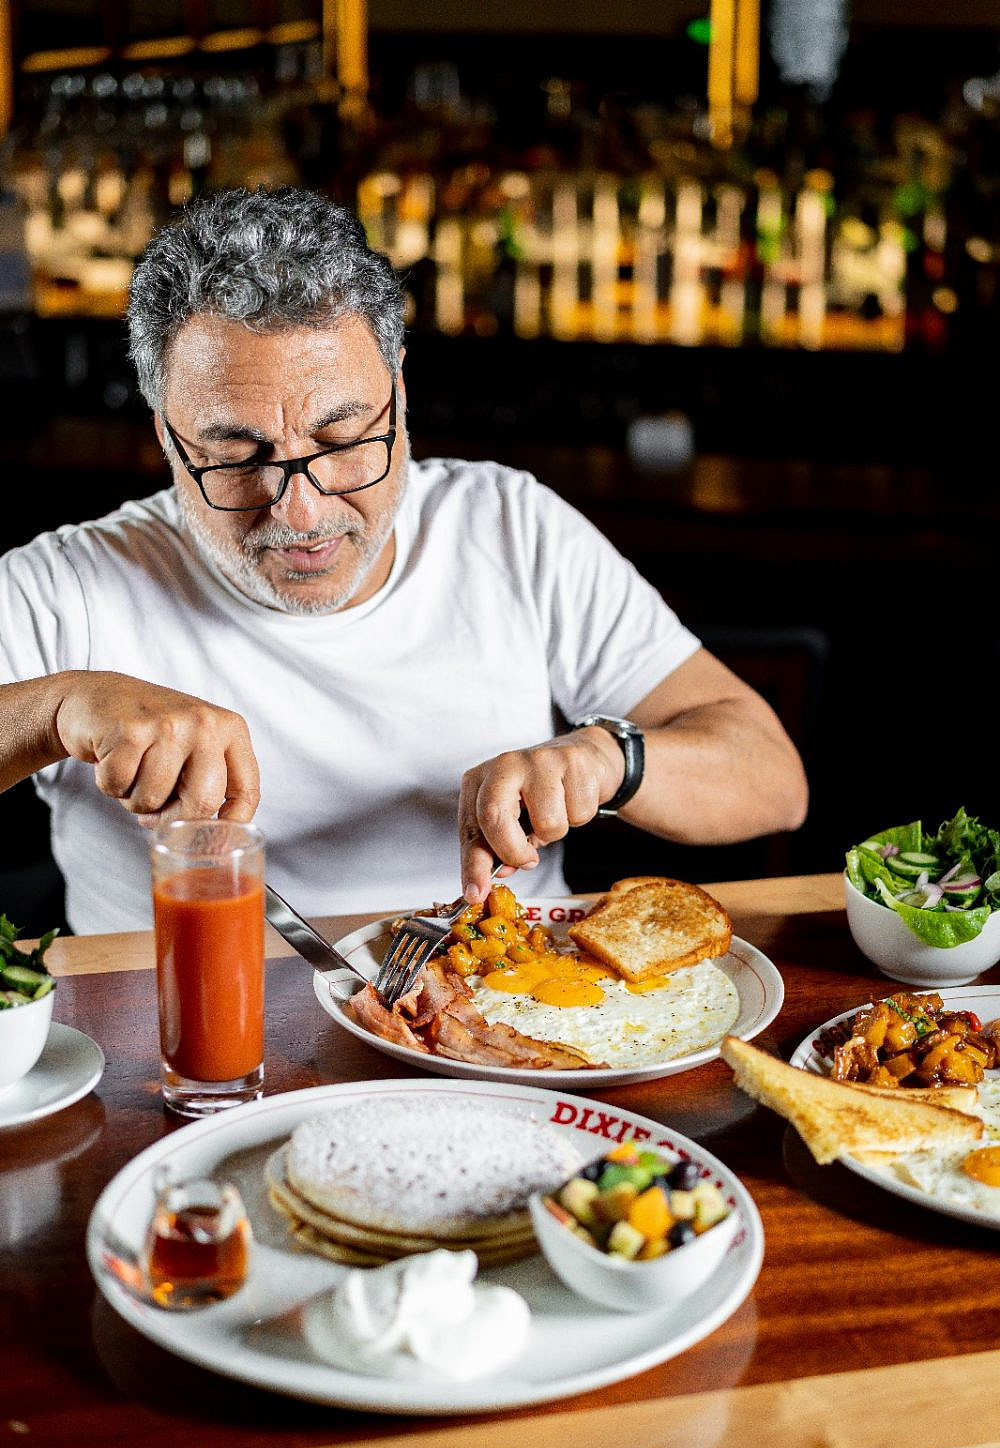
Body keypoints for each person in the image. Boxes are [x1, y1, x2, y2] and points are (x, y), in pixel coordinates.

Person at [0, 188, 808, 933]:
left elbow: (774, 779)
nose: (301, 511)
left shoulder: (507, 525)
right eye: (236, 454)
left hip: (505, 1032)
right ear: (168, 439)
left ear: (401, 398)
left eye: (345, 441)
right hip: (172, 1052)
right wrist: (60, 707)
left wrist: (609, 762)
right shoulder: (72, 585)